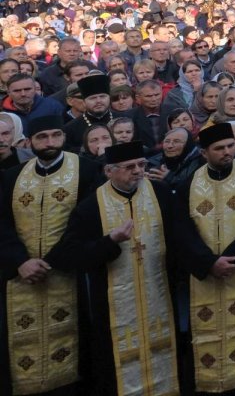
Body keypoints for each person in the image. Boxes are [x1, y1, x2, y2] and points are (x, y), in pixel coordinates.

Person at [57, 141, 181, 396]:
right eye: (129, 167)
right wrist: (110, 241)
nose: (138, 171)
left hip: (160, 292)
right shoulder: (91, 206)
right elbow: (72, 254)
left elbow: (180, 239)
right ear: (109, 171)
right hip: (112, 303)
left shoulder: (160, 193)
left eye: (141, 165)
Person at [0, 114, 103, 396]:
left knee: (77, 355)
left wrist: (53, 261)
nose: (50, 143)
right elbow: (2, 224)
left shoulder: (87, 170)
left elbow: (86, 222)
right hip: (20, 276)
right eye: (42, 137)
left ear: (64, 136)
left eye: (56, 135)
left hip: (70, 274)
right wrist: (21, 261)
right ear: (29, 141)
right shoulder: (12, 176)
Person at [173, 122, 235, 396]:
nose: (228, 152)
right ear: (203, 153)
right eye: (219, 148)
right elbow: (182, 230)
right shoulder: (187, 184)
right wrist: (208, 263)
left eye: (231, 146)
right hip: (205, 273)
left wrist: (232, 260)